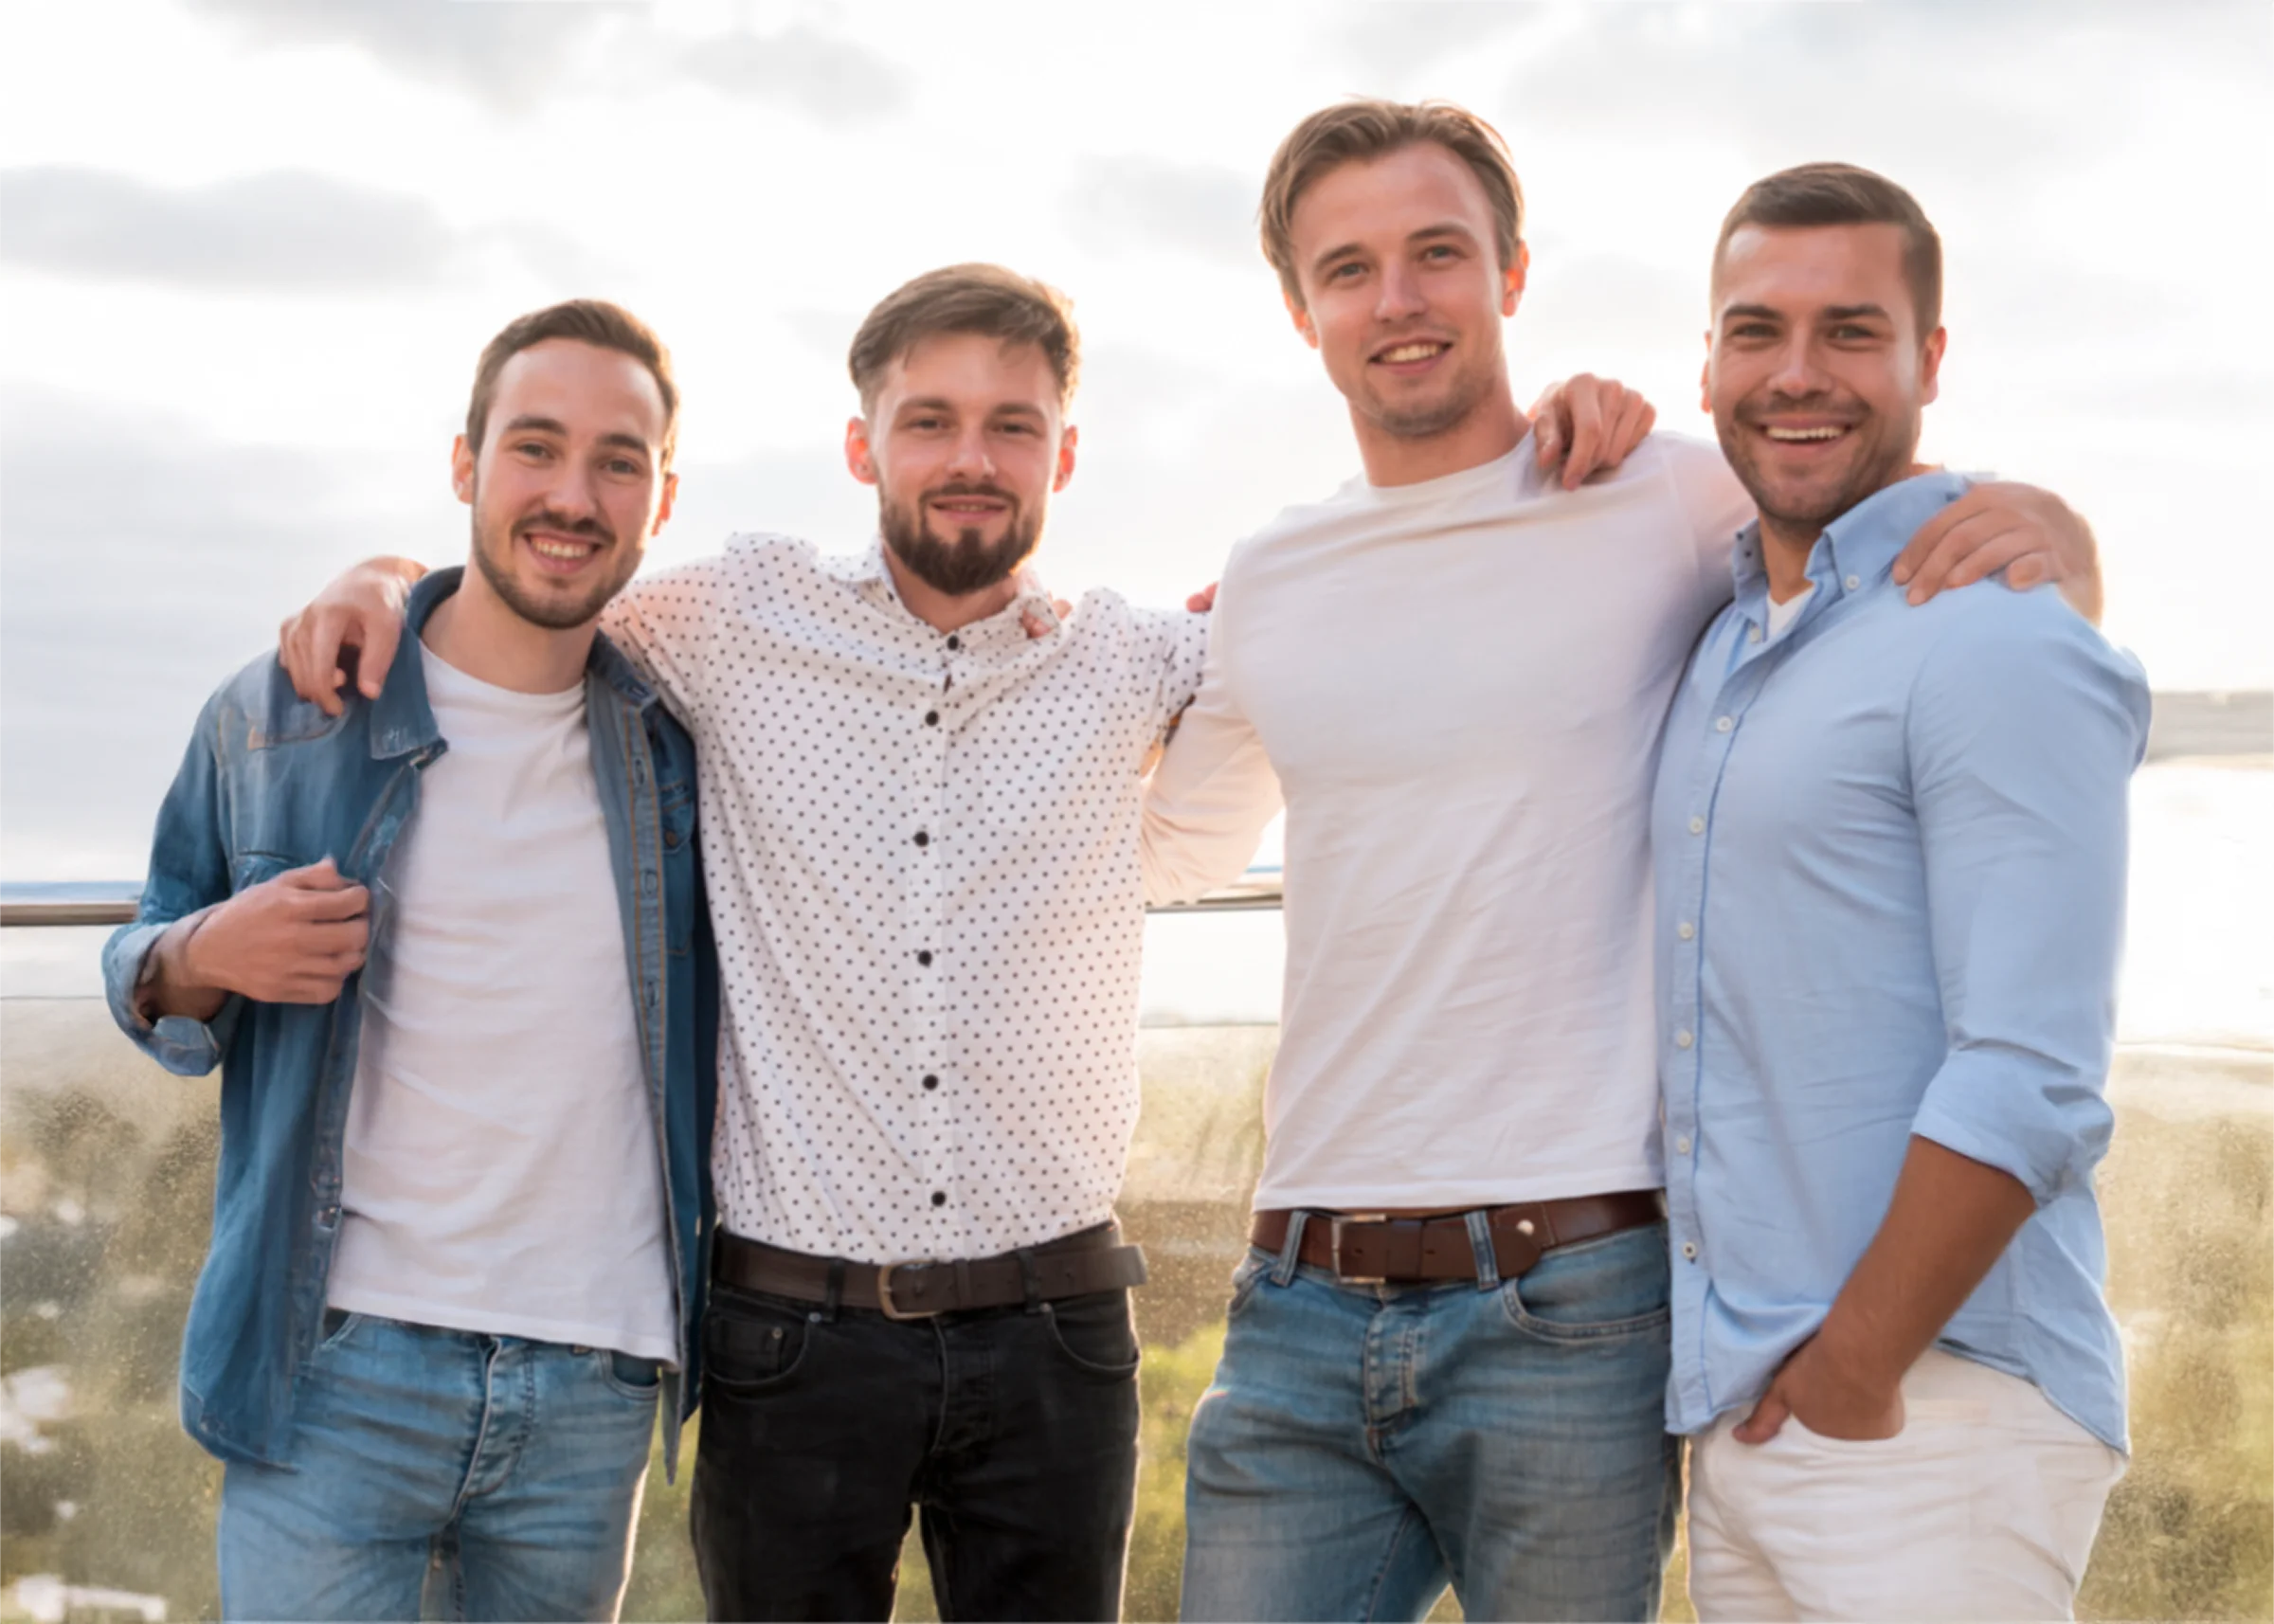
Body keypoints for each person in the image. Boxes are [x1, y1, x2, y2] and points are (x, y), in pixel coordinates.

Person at [275, 263, 1647, 1621]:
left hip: (1056, 1333)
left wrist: (1547, 443)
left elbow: (1383, 595)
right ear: (865, 443)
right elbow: (536, 576)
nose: (971, 457)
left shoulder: (1140, 658)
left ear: (1064, 453)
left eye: (1012, 424)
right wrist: (383, 576)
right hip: (789, 1337)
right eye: (930, 419)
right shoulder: (732, 618)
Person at [1141, 99, 2107, 1622]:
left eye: (1438, 252)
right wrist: (1079, 663)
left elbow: (1880, 502)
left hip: (1573, 1299)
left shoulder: (1664, 489)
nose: (1398, 299)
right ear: (1298, 306)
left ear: (1512, 272)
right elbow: (1169, 845)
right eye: (1351, 267)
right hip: (1296, 1298)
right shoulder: (1267, 577)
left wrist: (2057, 529)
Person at [101, 299, 714, 1621]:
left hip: (593, 1386)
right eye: (535, 447)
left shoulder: (685, 745)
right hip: (334, 1373)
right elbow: (143, 958)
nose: (573, 493)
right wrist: (213, 947)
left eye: (620, 460)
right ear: (464, 467)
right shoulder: (290, 712)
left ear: (664, 498)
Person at [1656, 162, 2142, 1621]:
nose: (1796, 375)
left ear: (1930, 360)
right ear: (1709, 357)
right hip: (1756, 1412)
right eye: (1756, 330)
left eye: (1851, 331)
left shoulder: (1996, 631)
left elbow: (2033, 1070)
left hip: (1938, 1410)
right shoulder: (1729, 637)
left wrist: (1859, 1363)